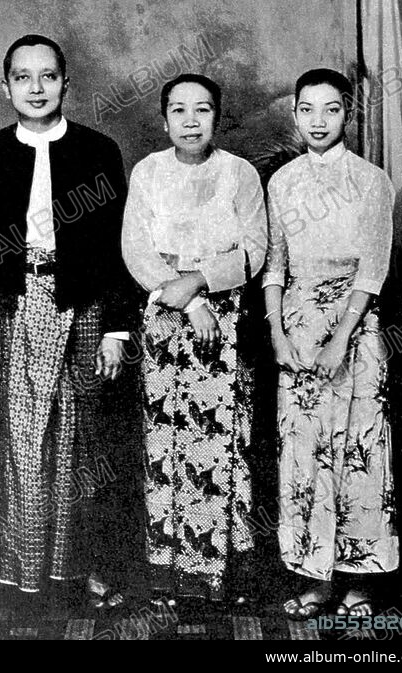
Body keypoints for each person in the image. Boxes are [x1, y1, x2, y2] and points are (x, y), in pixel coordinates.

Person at [0, 34, 133, 609]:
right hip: (16, 305)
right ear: (6, 85)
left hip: (83, 304)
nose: (37, 89)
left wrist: (115, 327)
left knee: (78, 438)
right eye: (23, 77)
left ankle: (75, 568)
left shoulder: (98, 150)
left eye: (48, 77)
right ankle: (17, 570)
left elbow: (116, 246)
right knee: (21, 441)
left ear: (66, 83)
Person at [122, 74, 267, 602]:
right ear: (164, 119)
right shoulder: (147, 172)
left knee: (220, 440)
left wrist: (204, 284)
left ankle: (218, 569)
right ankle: (166, 566)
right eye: (178, 111)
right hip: (164, 311)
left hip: (224, 321)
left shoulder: (240, 173)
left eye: (201, 110)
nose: (189, 121)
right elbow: (135, 250)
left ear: (216, 117)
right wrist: (189, 296)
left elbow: (254, 250)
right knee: (166, 439)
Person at [263, 68, 398, 620]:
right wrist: (275, 330)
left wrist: (342, 337)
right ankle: (315, 579)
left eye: (332, 109)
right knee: (305, 454)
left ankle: (359, 582)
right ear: (295, 113)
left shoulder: (372, 180)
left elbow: (374, 267)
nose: (319, 121)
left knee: (360, 452)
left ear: (348, 114)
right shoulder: (282, 181)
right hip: (296, 327)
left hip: (357, 327)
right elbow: (274, 262)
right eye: (308, 109)